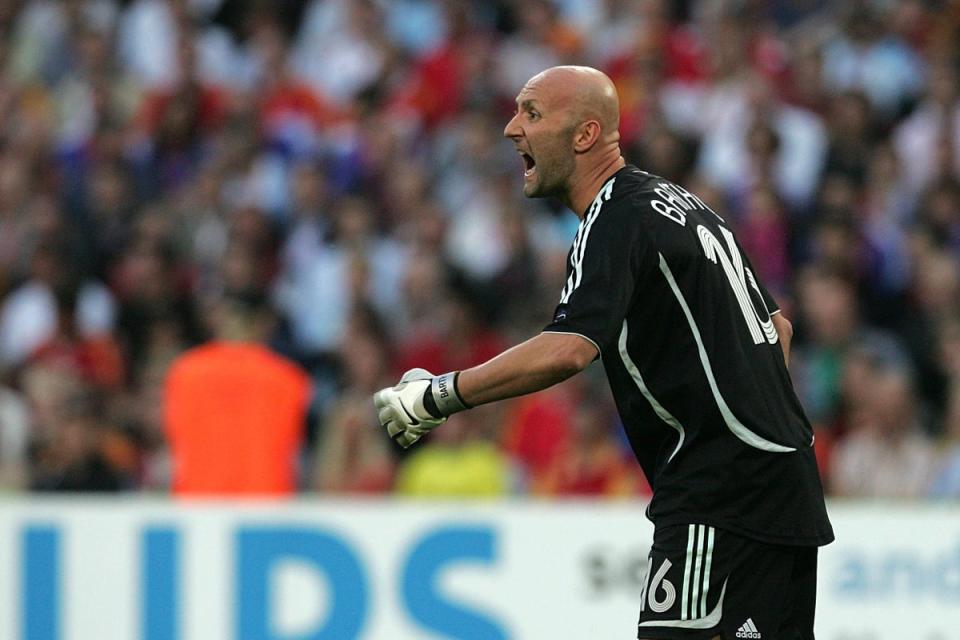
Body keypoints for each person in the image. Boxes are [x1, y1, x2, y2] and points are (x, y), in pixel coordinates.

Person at [374, 66, 833, 639]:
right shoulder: (682, 204)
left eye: (533, 113)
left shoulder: (615, 217)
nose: (512, 128)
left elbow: (569, 349)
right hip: (783, 483)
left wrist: (440, 395)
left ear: (586, 134)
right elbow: (777, 327)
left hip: (717, 494)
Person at [165, 290, 310, 496]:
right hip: (265, 503)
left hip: (198, 501)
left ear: (218, 319)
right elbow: (294, 449)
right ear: (264, 323)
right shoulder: (288, 379)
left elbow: (173, 438)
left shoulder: (184, 373)